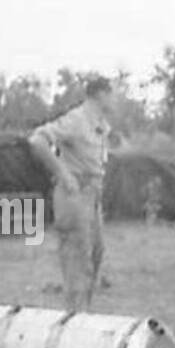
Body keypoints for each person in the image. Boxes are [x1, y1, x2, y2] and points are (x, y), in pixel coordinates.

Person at [28, 75, 115, 312]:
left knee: (94, 254)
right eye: (112, 94)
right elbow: (37, 141)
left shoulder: (99, 123)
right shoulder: (77, 120)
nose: (114, 100)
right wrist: (63, 173)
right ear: (101, 94)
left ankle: (82, 317)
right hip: (75, 196)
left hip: (92, 195)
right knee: (78, 260)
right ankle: (75, 323)